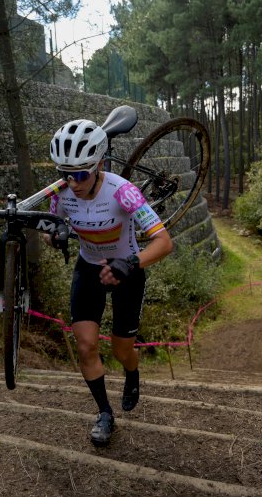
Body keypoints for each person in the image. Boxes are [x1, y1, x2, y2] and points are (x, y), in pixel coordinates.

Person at [43, 119, 174, 447]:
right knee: (86, 345)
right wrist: (54, 236)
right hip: (88, 269)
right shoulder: (60, 194)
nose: (73, 182)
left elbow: (164, 242)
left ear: (99, 165)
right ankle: (105, 413)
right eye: (65, 173)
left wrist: (130, 263)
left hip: (127, 270)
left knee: (121, 350)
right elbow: (52, 226)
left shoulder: (124, 192)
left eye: (81, 174)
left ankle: (132, 373)